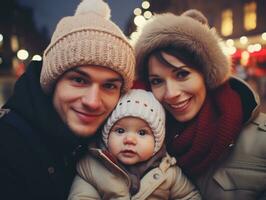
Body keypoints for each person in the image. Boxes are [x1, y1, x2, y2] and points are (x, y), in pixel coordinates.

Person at [0, 0, 135, 199]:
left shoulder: (118, 142)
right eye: (79, 80)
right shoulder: (7, 147)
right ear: (52, 82)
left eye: (109, 86)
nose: (93, 101)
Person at [132, 9, 266, 199]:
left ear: (207, 74)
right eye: (157, 81)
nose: (171, 94)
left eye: (182, 74)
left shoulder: (260, 143)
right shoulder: (142, 139)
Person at [68, 89, 201, 200]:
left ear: (157, 142)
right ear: (106, 136)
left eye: (142, 133)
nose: (129, 139)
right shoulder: (91, 168)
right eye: (120, 131)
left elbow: (190, 196)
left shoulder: (168, 172)